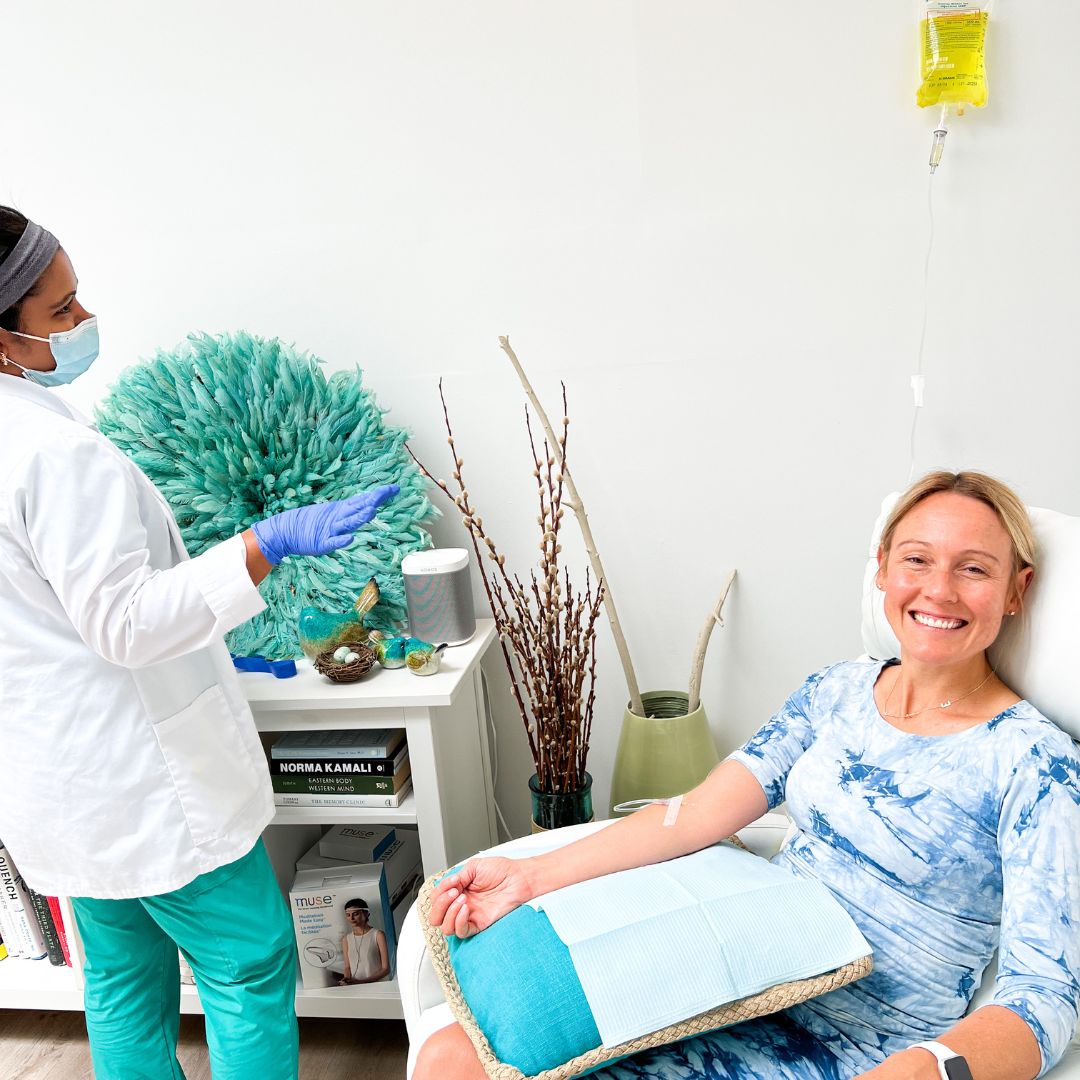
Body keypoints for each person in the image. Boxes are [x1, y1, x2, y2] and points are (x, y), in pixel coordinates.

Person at [417, 471, 1080, 1080]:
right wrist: (530, 876)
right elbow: (700, 813)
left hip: (861, 1048)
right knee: (456, 1056)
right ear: (881, 570)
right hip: (733, 983)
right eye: (917, 559)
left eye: (973, 569)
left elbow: (1043, 999)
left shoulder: (1036, 764)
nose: (939, 590)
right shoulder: (836, 692)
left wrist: (927, 1070)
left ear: (1016, 592)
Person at [0, 206, 399, 1080]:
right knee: (250, 964)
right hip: (138, 787)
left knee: (122, 981)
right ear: (2, 338)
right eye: (61, 313)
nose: (83, 323)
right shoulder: (51, 455)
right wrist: (266, 545)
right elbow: (126, 622)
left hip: (58, 787)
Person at [338, 898, 389, 985]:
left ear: (366, 913)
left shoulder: (378, 935)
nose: (352, 918)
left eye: (355, 914)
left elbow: (385, 969)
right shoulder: (346, 939)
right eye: (348, 915)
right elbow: (347, 967)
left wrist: (362, 982)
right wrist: (346, 979)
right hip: (355, 988)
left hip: (378, 986)